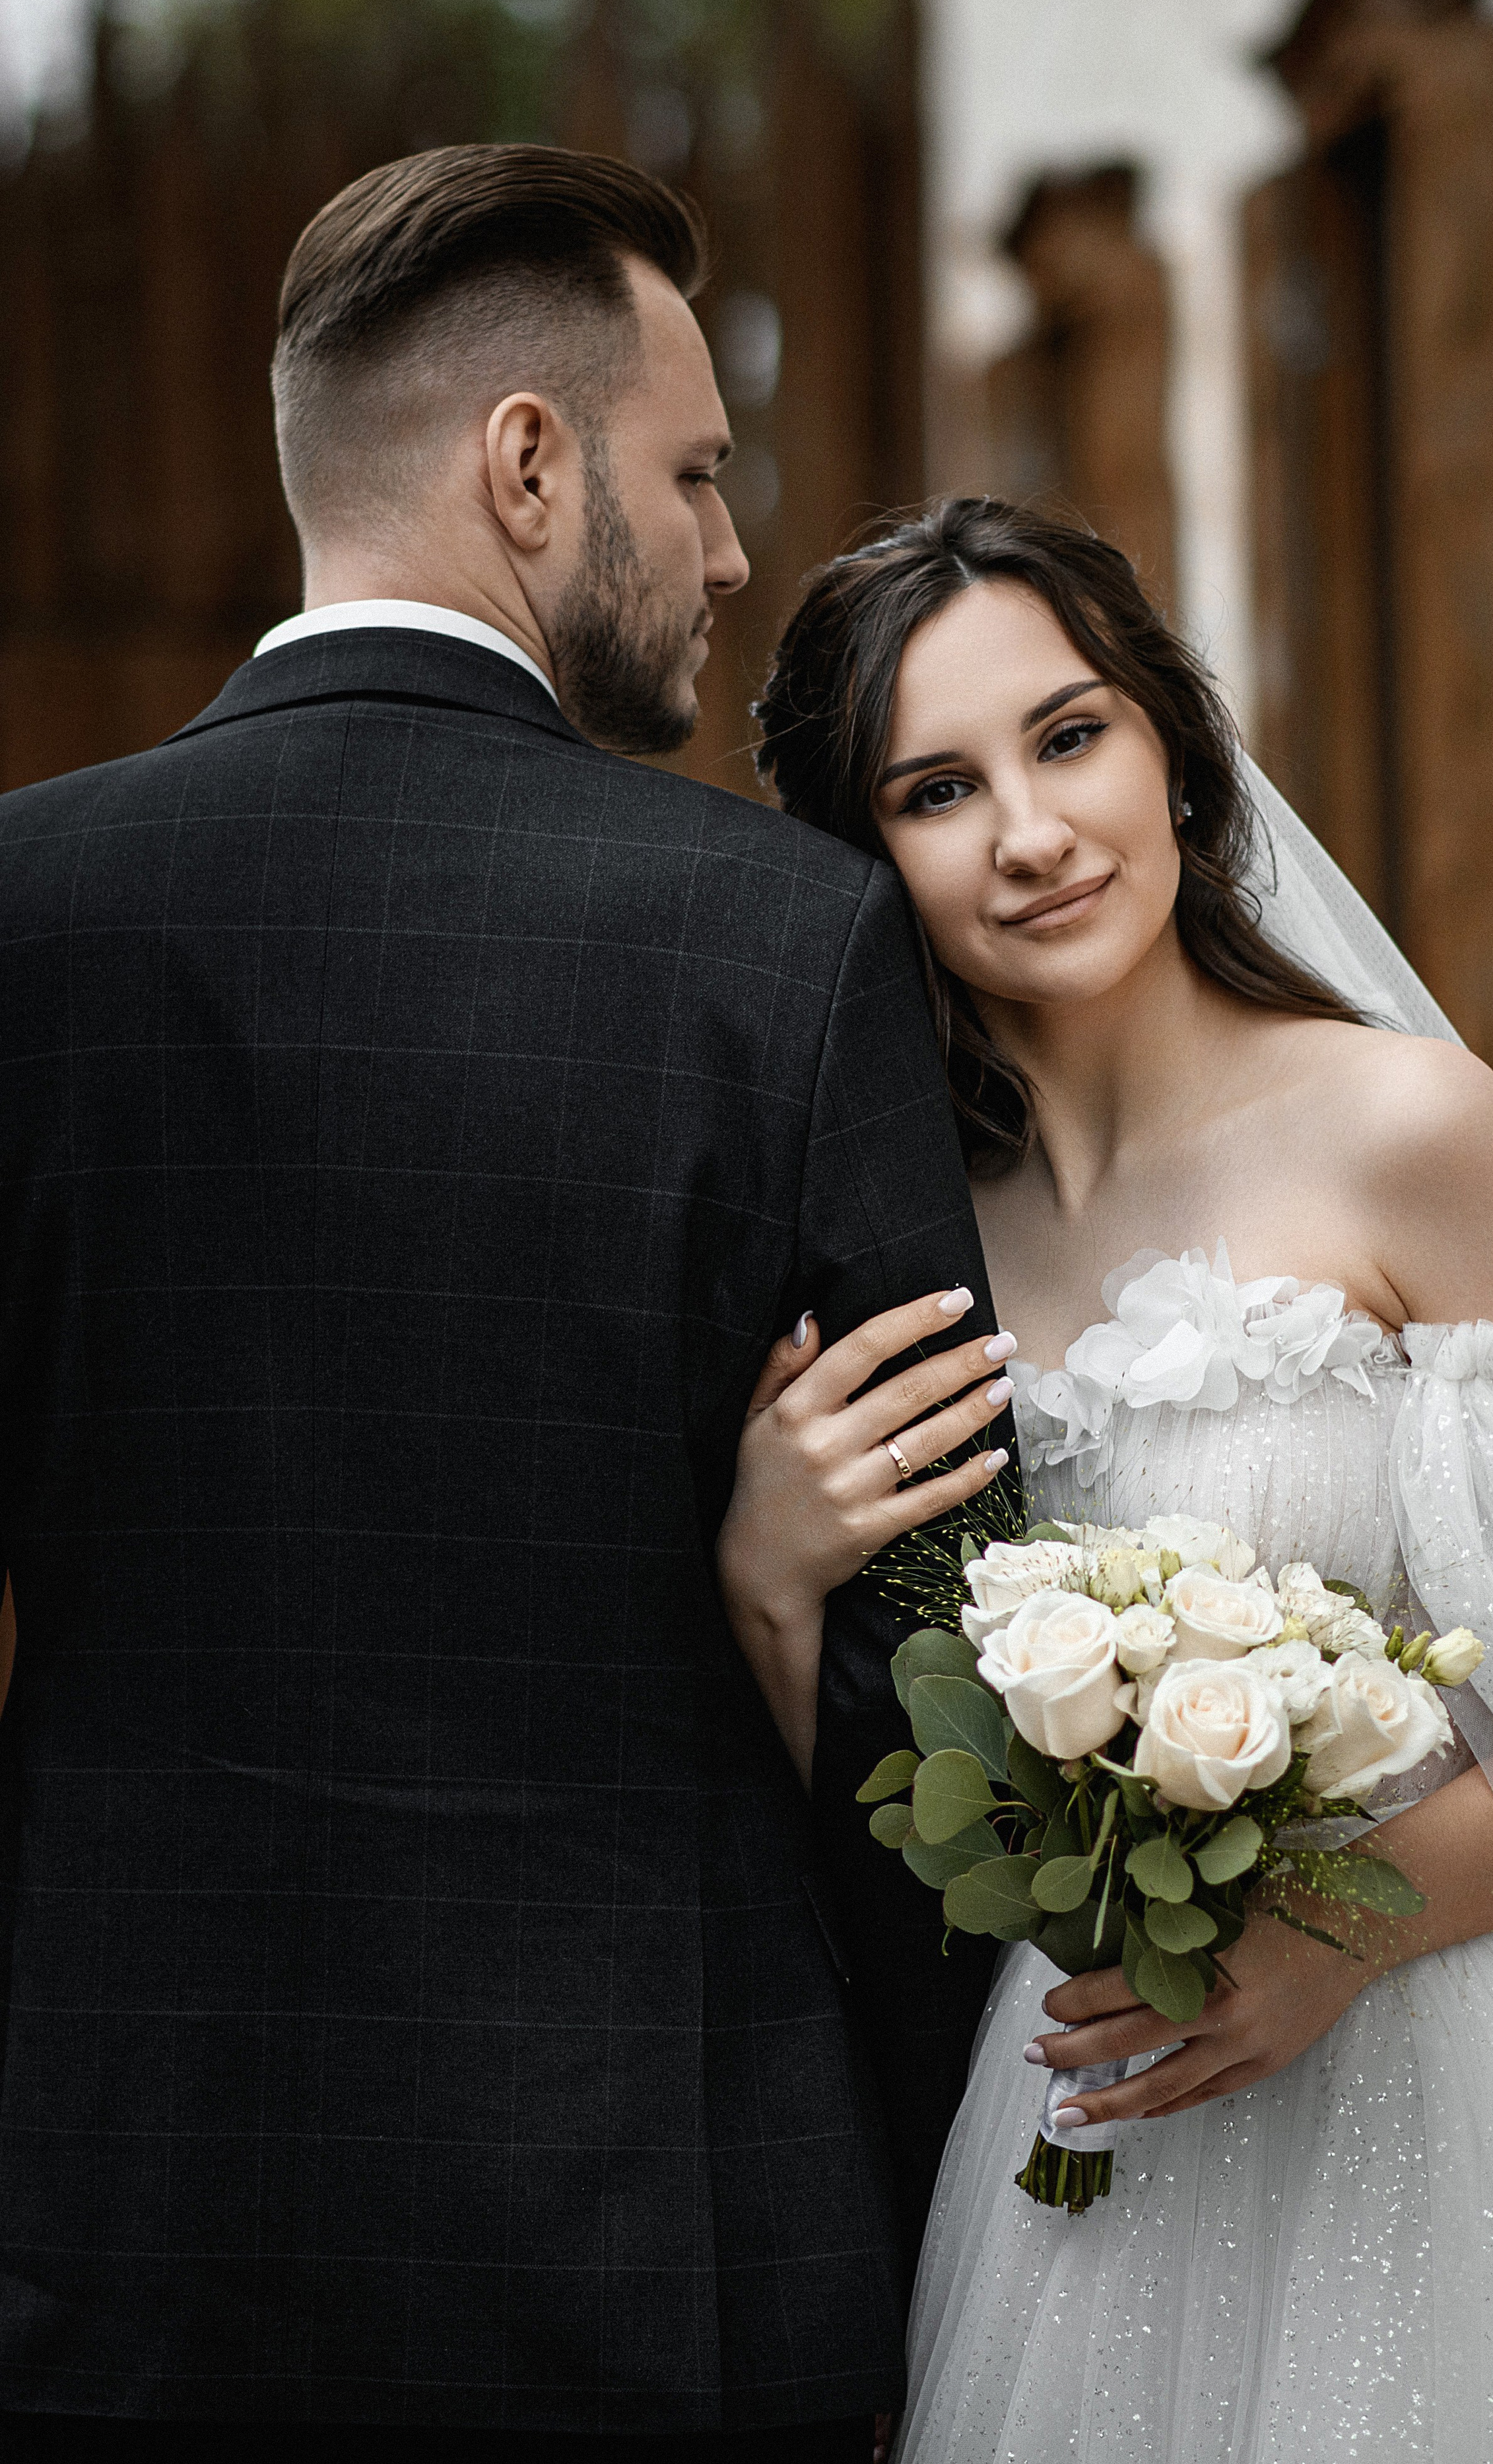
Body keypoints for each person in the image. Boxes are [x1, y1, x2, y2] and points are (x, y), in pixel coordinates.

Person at [0, 147, 1011, 2458]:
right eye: (698, 472)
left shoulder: (21, 918)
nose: (732, 551)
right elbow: (938, 1663)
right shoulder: (783, 941)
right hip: (661, 2224)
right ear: (530, 466)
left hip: (102, 2222)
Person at [719, 494, 1493, 2461]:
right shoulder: (901, 1251)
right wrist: (767, 1570)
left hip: (1470, 2105)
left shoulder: (1405, 1132)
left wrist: (1349, 1924)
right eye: (937, 790)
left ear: (1172, 744)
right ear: (864, 860)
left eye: (1070, 736)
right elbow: (870, 1827)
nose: (1032, 833)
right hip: (1093, 2134)